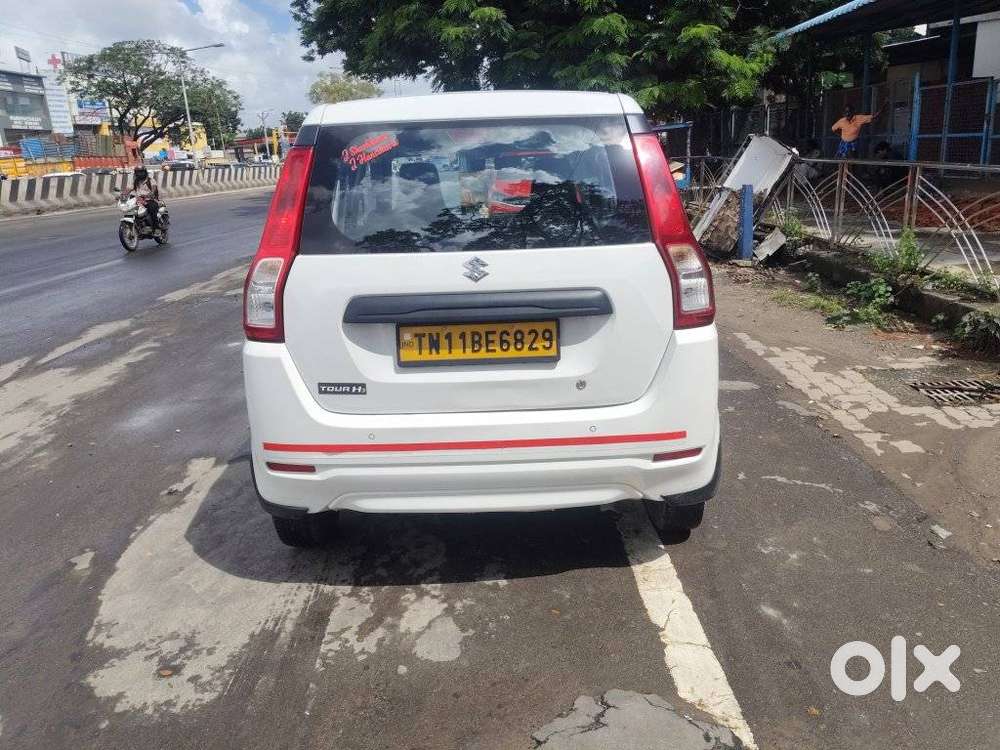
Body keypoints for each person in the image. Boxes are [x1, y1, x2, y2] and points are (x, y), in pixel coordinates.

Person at [130, 165, 161, 232]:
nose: (140, 174)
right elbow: (129, 189)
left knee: (152, 209)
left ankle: (156, 228)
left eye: (141, 172)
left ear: (145, 172)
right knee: (131, 209)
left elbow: (154, 188)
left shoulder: (150, 180)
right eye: (138, 172)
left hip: (150, 200)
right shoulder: (135, 182)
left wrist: (150, 194)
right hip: (139, 201)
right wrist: (122, 194)